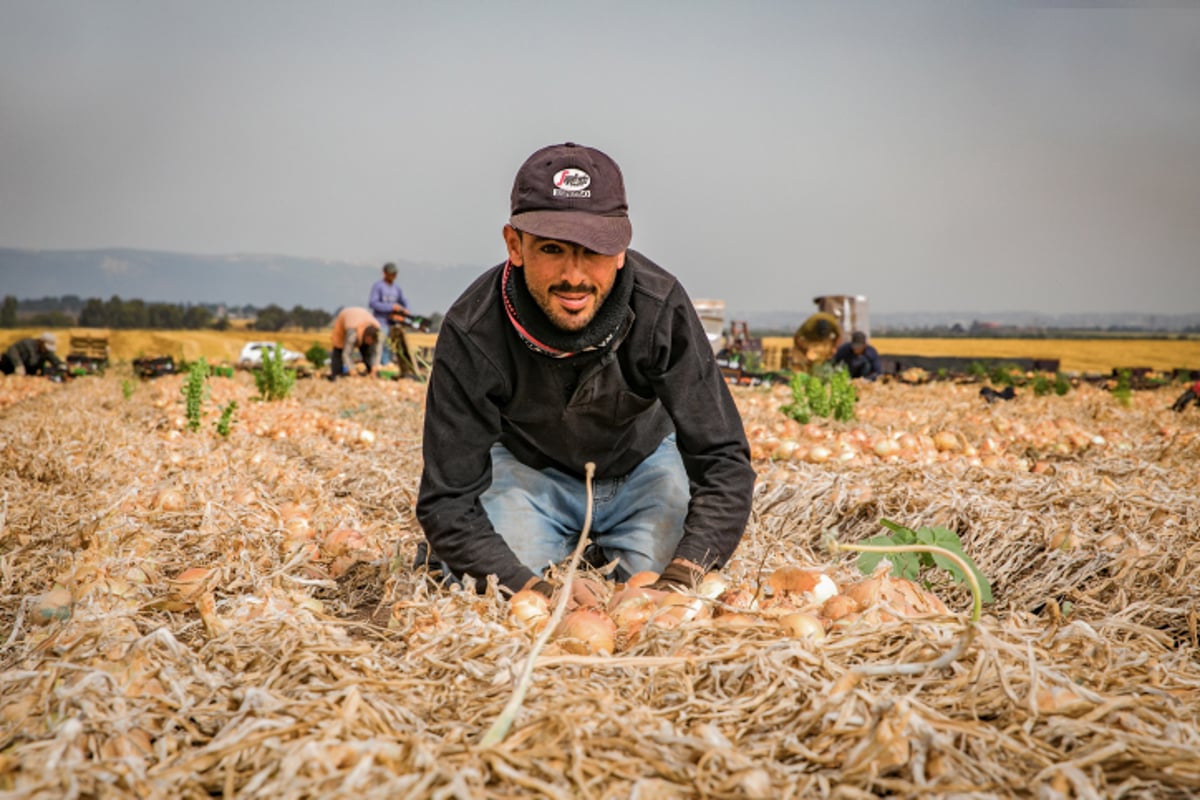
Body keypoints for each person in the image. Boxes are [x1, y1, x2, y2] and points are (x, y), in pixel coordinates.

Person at [415, 142, 756, 603]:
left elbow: (724, 459)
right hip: (530, 474)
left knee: (660, 580)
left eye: (593, 250)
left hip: (644, 470)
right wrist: (533, 590)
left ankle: (605, 548)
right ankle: (545, 547)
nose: (574, 276)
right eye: (552, 249)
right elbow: (447, 499)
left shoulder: (660, 309)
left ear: (620, 251)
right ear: (514, 245)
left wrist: (683, 577)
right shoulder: (474, 330)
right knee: (491, 587)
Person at [368, 262, 416, 375]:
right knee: (382, 343)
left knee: (394, 345)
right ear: (385, 273)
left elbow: (404, 301)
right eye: (391, 273)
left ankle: (390, 365)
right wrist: (390, 307)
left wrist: (405, 310)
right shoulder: (378, 286)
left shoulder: (396, 288)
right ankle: (380, 366)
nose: (393, 276)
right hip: (381, 321)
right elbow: (373, 303)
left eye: (395, 274)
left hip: (393, 322)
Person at [328, 307, 381, 380]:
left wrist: (375, 367)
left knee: (369, 351)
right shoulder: (352, 333)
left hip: (362, 317)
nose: (370, 343)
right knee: (339, 348)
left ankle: (371, 373)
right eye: (369, 341)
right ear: (367, 337)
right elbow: (346, 353)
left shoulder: (377, 332)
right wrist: (351, 369)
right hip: (346, 319)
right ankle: (336, 374)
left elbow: (377, 352)